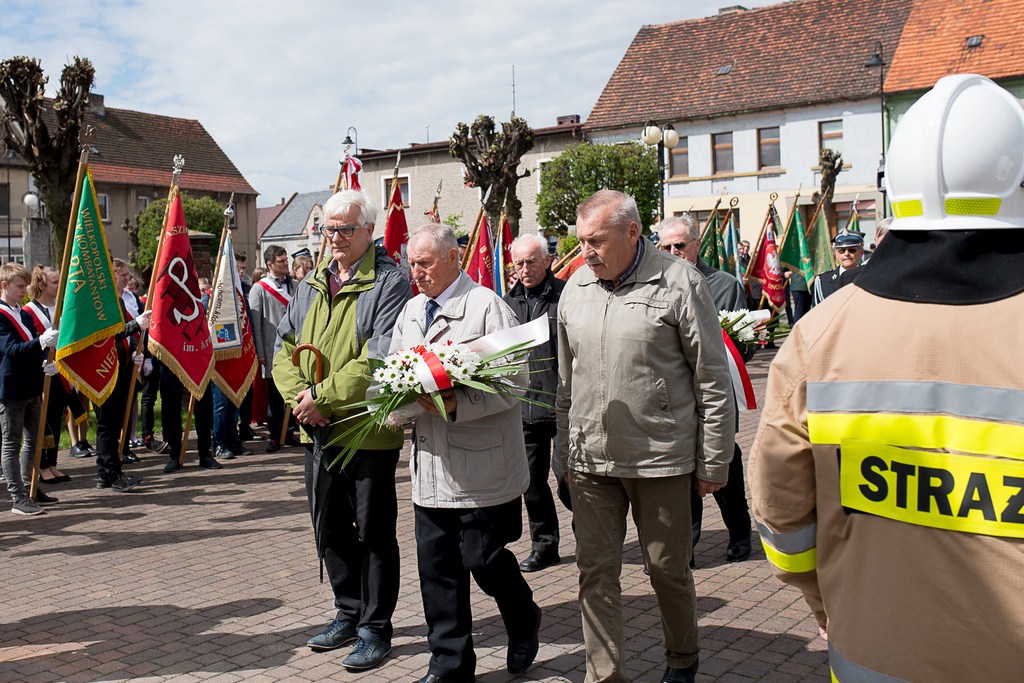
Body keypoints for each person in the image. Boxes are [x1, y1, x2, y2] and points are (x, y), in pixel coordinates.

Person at [749, 74, 1024, 681]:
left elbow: (782, 511)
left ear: (896, 190)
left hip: (872, 649)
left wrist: (827, 600)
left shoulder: (820, 336)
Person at [557, 190, 735, 683]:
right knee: (595, 575)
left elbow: (712, 379)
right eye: (580, 242)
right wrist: (562, 455)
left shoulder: (680, 283)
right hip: (591, 460)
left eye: (596, 241)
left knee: (667, 569)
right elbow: (565, 383)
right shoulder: (575, 288)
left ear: (632, 233)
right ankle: (605, 675)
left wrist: (714, 461)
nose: (586, 252)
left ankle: (682, 658)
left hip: (660, 458)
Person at [390, 222, 541, 683]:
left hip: (482, 467)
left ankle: (523, 616)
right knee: (437, 572)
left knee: (483, 561)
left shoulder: (486, 308)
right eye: (411, 263)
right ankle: (450, 665)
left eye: (426, 262)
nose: (417, 272)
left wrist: (455, 402)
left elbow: (515, 384)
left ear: (455, 258)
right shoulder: (412, 311)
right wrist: (396, 404)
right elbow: (395, 372)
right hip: (430, 467)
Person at [273, 190, 412, 672]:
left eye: (345, 229)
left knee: (373, 531)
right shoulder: (312, 281)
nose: (334, 238)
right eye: (328, 229)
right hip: (317, 429)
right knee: (329, 525)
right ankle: (347, 612)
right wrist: (301, 400)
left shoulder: (391, 282)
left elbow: (378, 356)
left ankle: (376, 627)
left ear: (368, 231)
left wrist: (323, 398)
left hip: (366, 430)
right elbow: (282, 346)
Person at [658, 215, 752, 565]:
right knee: (683, 474)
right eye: (665, 246)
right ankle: (689, 545)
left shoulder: (726, 285)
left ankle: (740, 532)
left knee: (724, 468)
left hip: (715, 398)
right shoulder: (655, 285)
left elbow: (747, 344)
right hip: (675, 397)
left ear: (696, 244)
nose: (673, 252)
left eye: (679, 245)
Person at [503, 232, 565, 572]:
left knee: (570, 479)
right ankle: (545, 545)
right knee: (532, 483)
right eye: (519, 263)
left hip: (564, 404)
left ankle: (587, 533)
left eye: (531, 262)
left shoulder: (566, 297)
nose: (524, 269)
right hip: (525, 407)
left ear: (547, 261)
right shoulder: (507, 303)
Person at [0, 263, 60, 515]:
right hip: (12, 387)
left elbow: (30, 346)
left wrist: (44, 362)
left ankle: (30, 486)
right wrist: (40, 342)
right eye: (19, 286)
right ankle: (17, 496)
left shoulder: (21, 314)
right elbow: (11, 350)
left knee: (33, 441)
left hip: (31, 384)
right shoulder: (1, 315)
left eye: (25, 285)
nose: (24, 291)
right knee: (11, 442)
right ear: (4, 286)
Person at [93, 259, 147, 491]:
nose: (127, 279)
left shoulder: (118, 301)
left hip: (121, 367)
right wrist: (135, 325)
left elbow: (124, 333)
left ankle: (104, 474)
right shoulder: (102, 303)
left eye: (127, 275)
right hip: (104, 370)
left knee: (113, 424)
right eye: (122, 275)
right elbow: (106, 335)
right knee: (108, 425)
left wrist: (135, 349)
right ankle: (113, 475)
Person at [25, 265, 74, 485]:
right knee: (42, 421)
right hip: (40, 372)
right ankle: (41, 466)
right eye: (55, 282)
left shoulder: (60, 308)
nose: (59, 286)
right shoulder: (29, 311)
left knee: (55, 417)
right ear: (42, 285)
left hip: (59, 371)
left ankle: (53, 464)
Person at [250, 245, 297, 452]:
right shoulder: (259, 289)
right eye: (281, 261)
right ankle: (276, 435)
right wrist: (260, 352)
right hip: (272, 350)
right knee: (275, 397)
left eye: (286, 260)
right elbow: (256, 323)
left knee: (293, 393)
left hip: (294, 348)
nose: (286, 264)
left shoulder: (295, 285)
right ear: (270, 264)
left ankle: (290, 431)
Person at [811, 230, 864, 304]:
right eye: (842, 251)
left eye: (852, 250)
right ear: (836, 254)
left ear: (861, 253)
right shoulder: (823, 281)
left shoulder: (868, 277)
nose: (846, 254)